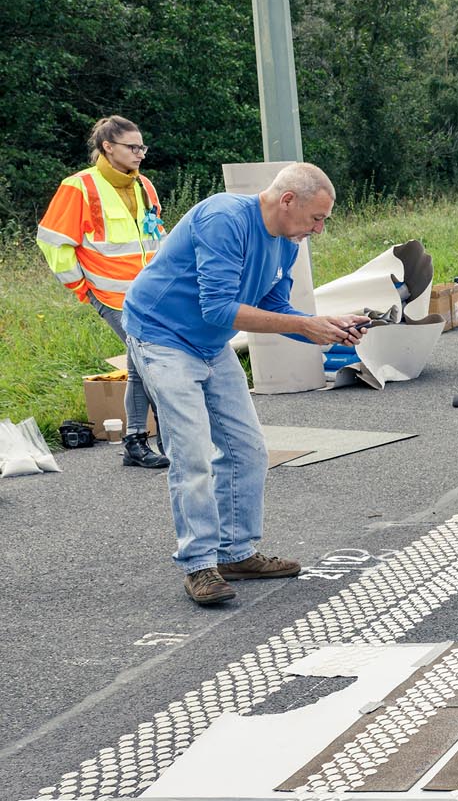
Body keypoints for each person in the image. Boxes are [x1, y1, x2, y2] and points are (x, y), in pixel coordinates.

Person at [122, 163, 371, 607]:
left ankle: (235, 553)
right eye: (316, 218)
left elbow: (273, 304)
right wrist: (306, 325)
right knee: (192, 451)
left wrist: (326, 327)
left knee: (246, 448)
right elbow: (219, 307)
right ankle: (198, 564)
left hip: (208, 343)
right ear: (287, 200)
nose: (318, 229)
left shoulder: (286, 243)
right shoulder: (224, 219)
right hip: (161, 335)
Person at [36, 116, 171, 468]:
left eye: (142, 146)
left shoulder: (144, 185)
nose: (140, 153)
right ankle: (150, 440)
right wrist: (82, 287)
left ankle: (140, 443)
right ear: (107, 147)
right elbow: (53, 242)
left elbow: (156, 236)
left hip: (150, 296)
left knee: (143, 363)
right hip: (110, 295)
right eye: (132, 147)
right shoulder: (79, 186)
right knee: (149, 362)